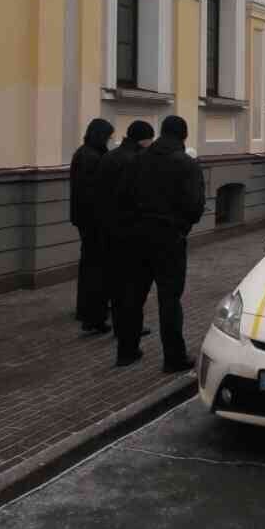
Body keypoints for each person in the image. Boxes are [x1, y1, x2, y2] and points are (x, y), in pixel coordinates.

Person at [119, 115, 205, 372]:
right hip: (170, 238)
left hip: (137, 236)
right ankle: (173, 358)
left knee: (133, 295)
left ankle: (126, 351)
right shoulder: (187, 165)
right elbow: (195, 206)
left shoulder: (137, 160)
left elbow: (122, 197)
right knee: (170, 299)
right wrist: (182, 226)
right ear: (183, 136)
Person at [97, 120, 155, 349]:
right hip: (130, 232)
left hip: (107, 228)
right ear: (144, 139)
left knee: (115, 281)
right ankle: (129, 330)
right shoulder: (136, 161)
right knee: (131, 287)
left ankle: (121, 326)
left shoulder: (109, 157)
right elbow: (137, 197)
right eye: (150, 139)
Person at [70, 118, 115, 333]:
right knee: (96, 266)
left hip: (85, 218)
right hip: (95, 220)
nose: (109, 140)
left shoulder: (83, 152)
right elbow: (96, 192)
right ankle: (92, 312)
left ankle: (86, 308)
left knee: (89, 263)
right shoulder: (92, 157)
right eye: (108, 136)